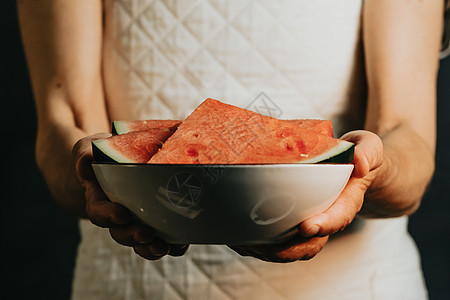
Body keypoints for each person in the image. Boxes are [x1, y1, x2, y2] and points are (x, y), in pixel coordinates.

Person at [18, 0, 447, 299]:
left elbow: (405, 134)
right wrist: (97, 179)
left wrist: (361, 172)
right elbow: (63, 124)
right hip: (125, 288)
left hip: (353, 288)